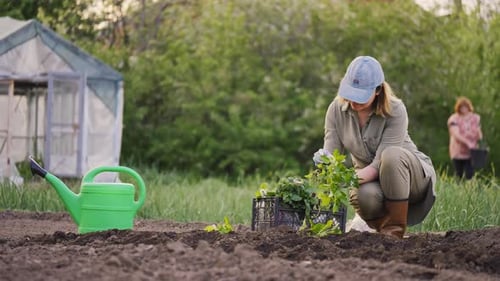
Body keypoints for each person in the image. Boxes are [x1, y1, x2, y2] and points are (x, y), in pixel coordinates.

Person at [319, 56, 436, 238]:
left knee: (391, 156)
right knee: (363, 195)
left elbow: (377, 166)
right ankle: (380, 232)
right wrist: (325, 164)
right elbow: (331, 151)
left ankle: (394, 232)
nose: (354, 102)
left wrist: (345, 179)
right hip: (372, 181)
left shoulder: (395, 110)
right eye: (351, 94)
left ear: (378, 90)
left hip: (410, 177)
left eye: (360, 97)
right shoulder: (336, 110)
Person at [447, 97, 483, 179]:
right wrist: (467, 142)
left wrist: (479, 138)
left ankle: (469, 189)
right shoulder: (454, 119)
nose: (464, 109)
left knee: (470, 174)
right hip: (458, 151)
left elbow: (479, 133)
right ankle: (458, 189)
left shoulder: (475, 118)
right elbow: (456, 134)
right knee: (458, 173)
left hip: (471, 151)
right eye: (461, 107)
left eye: (465, 107)